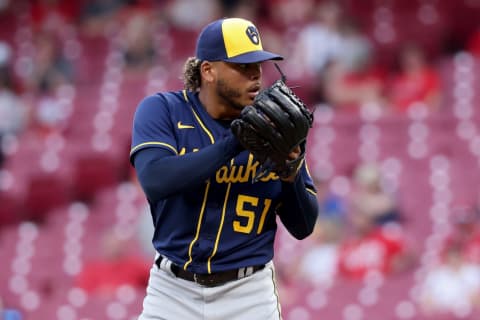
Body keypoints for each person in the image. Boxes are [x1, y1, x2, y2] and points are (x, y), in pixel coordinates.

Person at [129, 17, 319, 320]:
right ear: (208, 71)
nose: (256, 76)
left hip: (248, 293)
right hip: (172, 291)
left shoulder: (272, 126)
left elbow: (303, 227)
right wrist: (233, 143)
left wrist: (291, 173)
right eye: (243, 67)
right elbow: (154, 180)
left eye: (258, 66)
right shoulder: (163, 110)